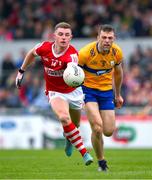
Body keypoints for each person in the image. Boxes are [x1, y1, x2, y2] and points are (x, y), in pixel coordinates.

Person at [15, 22, 93, 166]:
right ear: (54, 36)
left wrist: (72, 71)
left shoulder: (72, 55)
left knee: (74, 124)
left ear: (71, 37)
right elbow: (31, 53)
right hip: (55, 91)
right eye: (61, 34)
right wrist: (21, 71)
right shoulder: (44, 47)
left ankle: (69, 138)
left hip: (73, 91)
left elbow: (72, 68)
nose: (63, 38)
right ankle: (84, 153)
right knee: (64, 117)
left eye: (67, 35)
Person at [78, 24, 124, 171]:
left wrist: (117, 95)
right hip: (88, 91)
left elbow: (118, 73)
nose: (107, 40)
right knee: (97, 128)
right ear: (98, 37)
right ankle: (101, 162)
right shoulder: (85, 53)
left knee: (109, 131)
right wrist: (77, 96)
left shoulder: (117, 52)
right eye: (103, 37)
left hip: (106, 93)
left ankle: (95, 136)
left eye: (110, 38)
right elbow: (74, 75)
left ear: (114, 39)